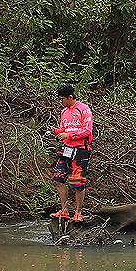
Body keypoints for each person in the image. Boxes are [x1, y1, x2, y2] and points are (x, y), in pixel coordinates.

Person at [49, 84, 93, 222]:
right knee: (58, 178)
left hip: (81, 149)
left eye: (62, 99)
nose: (61, 101)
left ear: (70, 97)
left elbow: (87, 131)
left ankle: (78, 212)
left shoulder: (84, 109)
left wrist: (68, 135)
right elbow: (63, 128)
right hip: (66, 149)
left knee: (78, 182)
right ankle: (64, 210)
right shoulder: (64, 112)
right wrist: (55, 131)